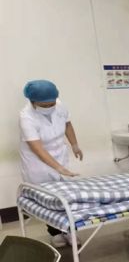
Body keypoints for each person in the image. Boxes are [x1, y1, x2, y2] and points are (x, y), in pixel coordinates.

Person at [19, 80, 83, 248]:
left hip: (59, 154)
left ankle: (70, 231)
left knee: (66, 196)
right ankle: (55, 233)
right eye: (45, 105)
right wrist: (59, 168)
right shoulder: (26, 117)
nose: (50, 107)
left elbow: (67, 124)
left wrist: (74, 145)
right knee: (48, 199)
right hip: (37, 163)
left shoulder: (59, 105)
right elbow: (37, 149)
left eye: (52, 103)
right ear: (33, 102)